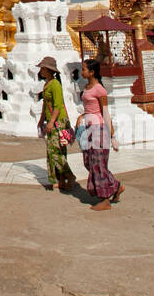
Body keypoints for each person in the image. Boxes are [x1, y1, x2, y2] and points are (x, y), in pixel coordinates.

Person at [74, 58, 124, 211]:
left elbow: (105, 112)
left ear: (92, 72)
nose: (82, 72)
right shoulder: (87, 87)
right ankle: (115, 186)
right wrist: (81, 117)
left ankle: (105, 199)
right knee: (88, 162)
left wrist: (113, 136)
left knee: (98, 164)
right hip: (88, 128)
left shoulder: (99, 89)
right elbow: (89, 108)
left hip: (99, 129)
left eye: (84, 69)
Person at [37, 56, 76, 192]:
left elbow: (58, 105)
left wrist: (51, 122)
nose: (41, 71)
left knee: (54, 151)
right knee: (57, 151)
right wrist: (42, 120)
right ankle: (61, 181)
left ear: (48, 70)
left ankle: (69, 176)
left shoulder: (55, 84)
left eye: (42, 68)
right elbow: (45, 104)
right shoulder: (47, 84)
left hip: (58, 121)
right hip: (51, 120)